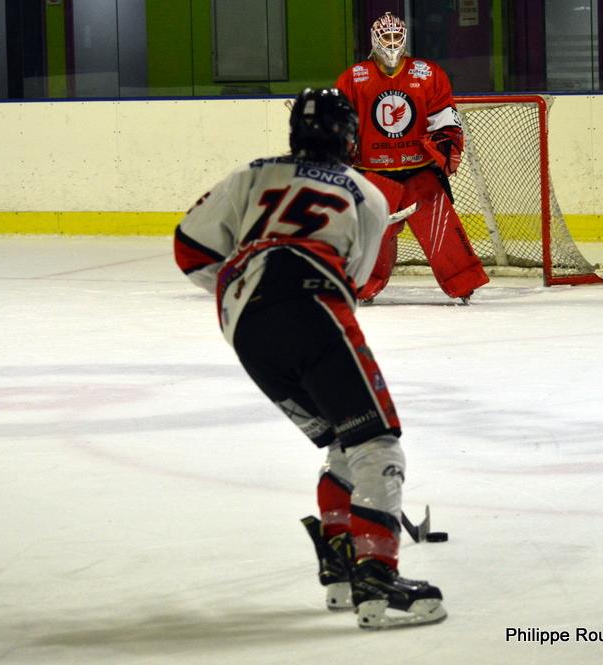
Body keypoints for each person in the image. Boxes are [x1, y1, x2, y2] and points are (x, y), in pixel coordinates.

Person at [173, 88, 446, 630]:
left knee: (343, 442)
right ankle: (377, 578)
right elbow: (357, 282)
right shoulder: (367, 194)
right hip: (311, 303)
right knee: (375, 442)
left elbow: (190, 249)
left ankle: (341, 571)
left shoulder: (252, 174)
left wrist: (246, 288)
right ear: (351, 137)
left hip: (243, 323)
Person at [336, 11, 489, 304]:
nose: (392, 43)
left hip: (421, 172)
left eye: (397, 36)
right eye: (386, 37)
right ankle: (363, 287)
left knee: (442, 233)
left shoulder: (428, 74)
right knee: (372, 239)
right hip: (373, 176)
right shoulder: (354, 77)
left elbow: (445, 117)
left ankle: (462, 284)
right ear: (374, 40)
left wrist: (447, 144)